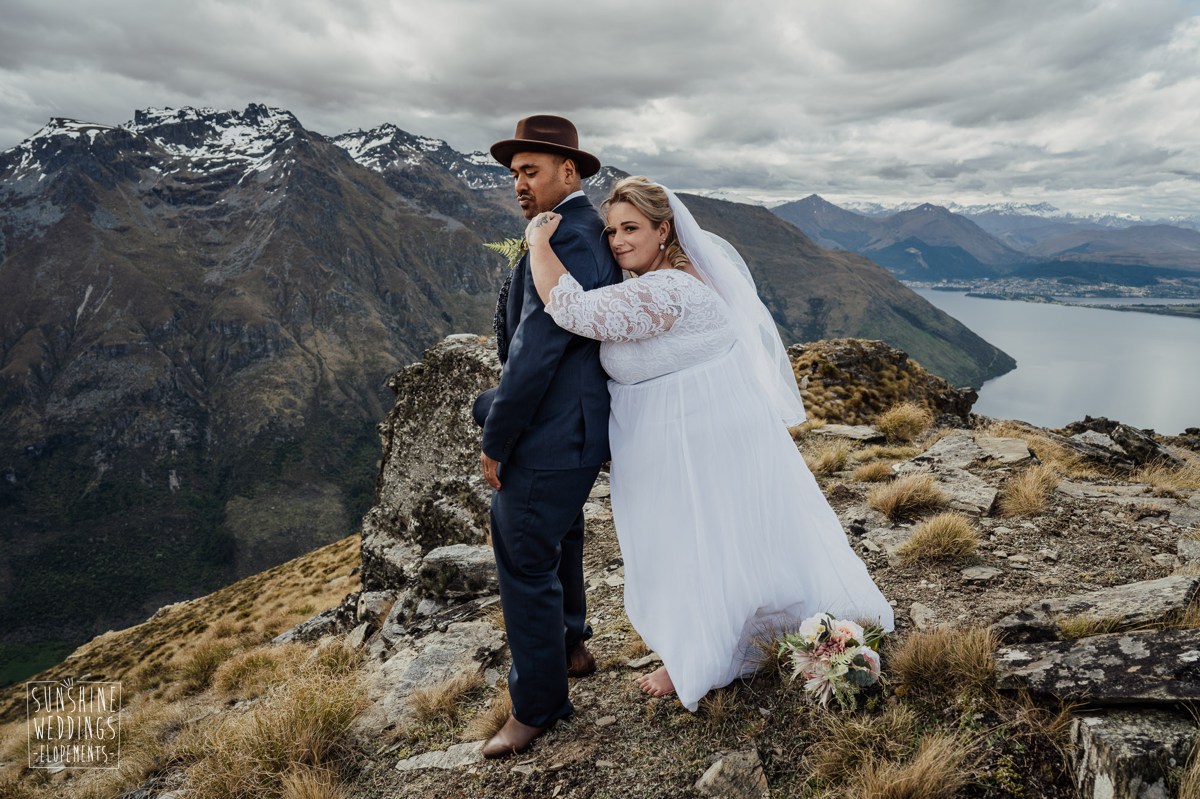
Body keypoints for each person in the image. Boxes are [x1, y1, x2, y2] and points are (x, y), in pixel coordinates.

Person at [522, 176, 895, 710]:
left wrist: (537, 240)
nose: (618, 241)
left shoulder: (670, 287)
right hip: (692, 430)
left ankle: (699, 655)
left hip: (685, 439)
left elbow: (575, 311)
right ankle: (735, 635)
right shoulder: (675, 278)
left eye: (632, 228)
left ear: (664, 228)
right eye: (611, 232)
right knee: (721, 538)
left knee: (687, 543)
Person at [475, 116, 622, 758]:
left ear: (570, 171)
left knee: (523, 554)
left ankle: (538, 706)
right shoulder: (578, 229)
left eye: (529, 170)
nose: (518, 183)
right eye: (513, 173)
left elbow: (535, 353)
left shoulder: (568, 238)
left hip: (552, 436)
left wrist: (496, 437)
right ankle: (571, 646)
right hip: (576, 429)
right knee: (560, 535)